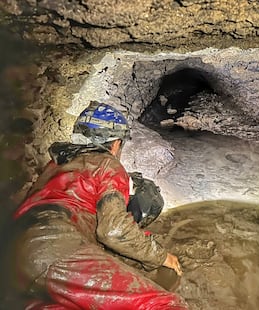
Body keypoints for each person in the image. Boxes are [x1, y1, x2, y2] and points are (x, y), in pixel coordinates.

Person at [10, 101, 188, 309]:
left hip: (13, 255)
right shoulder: (106, 163)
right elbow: (113, 230)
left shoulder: (55, 166)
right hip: (52, 249)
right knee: (163, 303)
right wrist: (160, 256)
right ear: (115, 144)